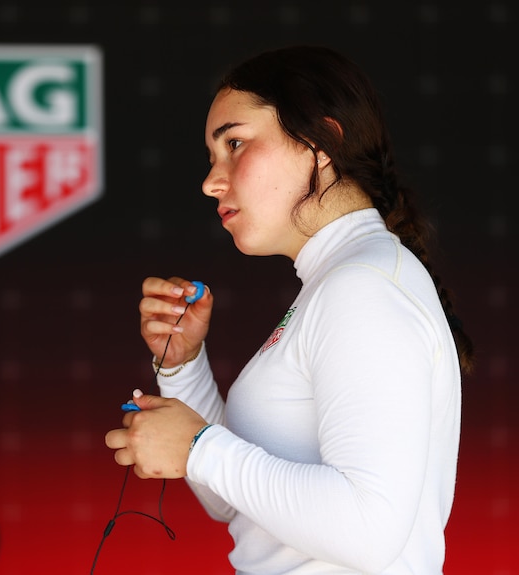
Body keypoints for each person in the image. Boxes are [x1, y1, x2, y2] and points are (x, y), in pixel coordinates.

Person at [105, 45, 474, 575]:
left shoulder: (362, 287)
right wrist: (183, 368)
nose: (212, 181)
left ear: (322, 144)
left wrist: (200, 447)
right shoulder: (341, 281)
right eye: (213, 157)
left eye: (234, 143)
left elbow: (367, 531)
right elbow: (236, 503)